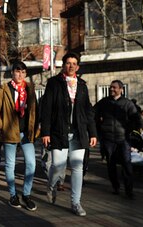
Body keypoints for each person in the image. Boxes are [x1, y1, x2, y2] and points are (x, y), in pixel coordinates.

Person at [40, 52, 97, 216]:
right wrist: (46, 132)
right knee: (58, 166)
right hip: (59, 132)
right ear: (63, 65)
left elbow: (88, 111)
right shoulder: (54, 83)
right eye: (68, 63)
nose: (71, 66)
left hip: (79, 133)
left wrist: (92, 133)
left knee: (78, 168)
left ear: (77, 67)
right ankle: (51, 185)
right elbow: (47, 109)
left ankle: (76, 203)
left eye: (74, 63)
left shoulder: (83, 85)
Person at [0, 60, 38, 211]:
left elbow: (34, 111)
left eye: (23, 72)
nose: (20, 75)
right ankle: (13, 195)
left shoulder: (30, 89)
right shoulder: (3, 89)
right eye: (17, 71)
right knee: (10, 165)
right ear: (12, 73)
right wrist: (3, 126)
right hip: (9, 132)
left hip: (26, 132)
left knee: (31, 163)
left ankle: (27, 194)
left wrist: (36, 129)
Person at [94, 80, 143, 199]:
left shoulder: (127, 104)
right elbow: (93, 113)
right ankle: (115, 187)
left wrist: (130, 129)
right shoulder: (104, 102)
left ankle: (128, 190)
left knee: (127, 164)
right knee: (111, 164)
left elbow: (137, 119)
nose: (112, 89)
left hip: (123, 139)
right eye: (110, 87)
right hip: (108, 139)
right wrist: (98, 129)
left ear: (121, 89)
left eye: (114, 88)